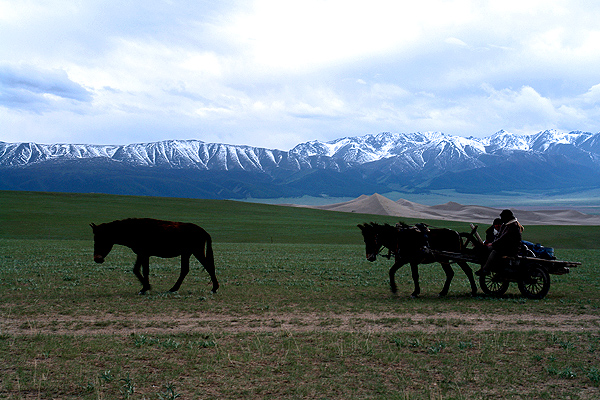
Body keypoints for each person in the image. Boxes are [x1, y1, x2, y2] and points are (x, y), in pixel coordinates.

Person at [476, 210, 524, 276]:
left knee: (494, 252)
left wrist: (493, 244)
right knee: (486, 249)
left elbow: (504, 238)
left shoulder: (513, 226)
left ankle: (486, 269)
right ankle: (488, 267)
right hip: (506, 247)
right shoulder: (506, 225)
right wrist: (493, 243)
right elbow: (499, 236)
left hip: (511, 249)